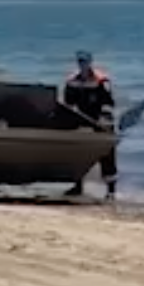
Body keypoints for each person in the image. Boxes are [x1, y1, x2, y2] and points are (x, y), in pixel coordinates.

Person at [59, 50, 119, 200]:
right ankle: (78, 186)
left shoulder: (101, 80)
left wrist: (104, 118)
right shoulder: (72, 80)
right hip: (82, 119)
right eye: (80, 61)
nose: (82, 64)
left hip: (100, 120)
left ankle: (111, 190)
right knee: (77, 152)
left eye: (85, 61)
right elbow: (68, 103)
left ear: (90, 62)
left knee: (107, 154)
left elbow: (109, 102)